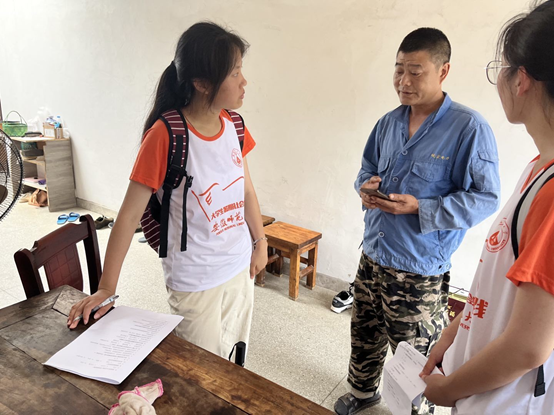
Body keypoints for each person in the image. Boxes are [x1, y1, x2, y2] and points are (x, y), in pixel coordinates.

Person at [67, 22, 268, 361]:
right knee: (201, 370)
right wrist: (106, 288)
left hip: (238, 266)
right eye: (234, 73)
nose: (243, 82)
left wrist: (260, 242)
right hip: (195, 279)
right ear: (202, 83)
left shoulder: (234, 126)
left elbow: (246, 189)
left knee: (233, 361)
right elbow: (128, 216)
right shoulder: (167, 135)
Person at [335, 28, 501, 415]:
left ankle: (414, 411)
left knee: (415, 355)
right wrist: (365, 187)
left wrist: (420, 209)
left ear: (443, 71)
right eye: (398, 70)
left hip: (418, 270)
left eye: (415, 71)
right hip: (374, 254)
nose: (403, 81)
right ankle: (363, 393)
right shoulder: (388, 123)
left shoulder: (468, 129)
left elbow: (485, 198)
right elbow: (366, 168)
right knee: (365, 333)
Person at [421, 2, 554, 413]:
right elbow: (500, 291)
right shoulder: (537, 168)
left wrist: (450, 389)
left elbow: (528, 346)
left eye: (502, 68)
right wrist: (456, 333)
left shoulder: (550, 192)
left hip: (504, 402)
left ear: (522, 80)